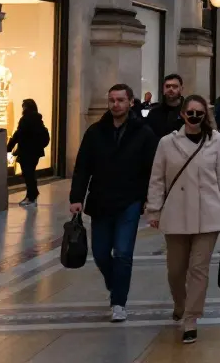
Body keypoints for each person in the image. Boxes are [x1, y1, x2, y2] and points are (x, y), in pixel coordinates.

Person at [146, 95, 220, 345]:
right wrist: (153, 210)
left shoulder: (216, 141)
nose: (195, 116)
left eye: (200, 112)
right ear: (183, 114)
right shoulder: (167, 143)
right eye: (191, 112)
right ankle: (180, 303)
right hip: (176, 213)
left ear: (205, 116)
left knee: (198, 268)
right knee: (175, 270)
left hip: (208, 213)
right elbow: (157, 179)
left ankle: (191, 318)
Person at [69, 84, 157, 323]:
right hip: (101, 200)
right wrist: (76, 197)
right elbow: (82, 166)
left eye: (120, 100)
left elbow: (151, 170)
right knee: (99, 252)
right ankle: (114, 282)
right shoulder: (95, 132)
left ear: (130, 102)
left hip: (130, 200)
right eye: (112, 100)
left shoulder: (143, 133)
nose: (115, 104)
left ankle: (119, 302)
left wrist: (151, 199)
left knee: (123, 252)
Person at [8, 99, 50, 206]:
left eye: (23, 106)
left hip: (27, 152)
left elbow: (18, 134)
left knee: (28, 174)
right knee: (30, 173)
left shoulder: (25, 120)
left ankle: (31, 197)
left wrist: (8, 147)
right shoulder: (38, 120)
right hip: (35, 152)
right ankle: (33, 195)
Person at [148, 73, 186, 139]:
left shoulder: (188, 112)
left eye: (175, 86)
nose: (171, 89)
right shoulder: (154, 113)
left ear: (181, 89)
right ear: (163, 89)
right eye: (168, 86)